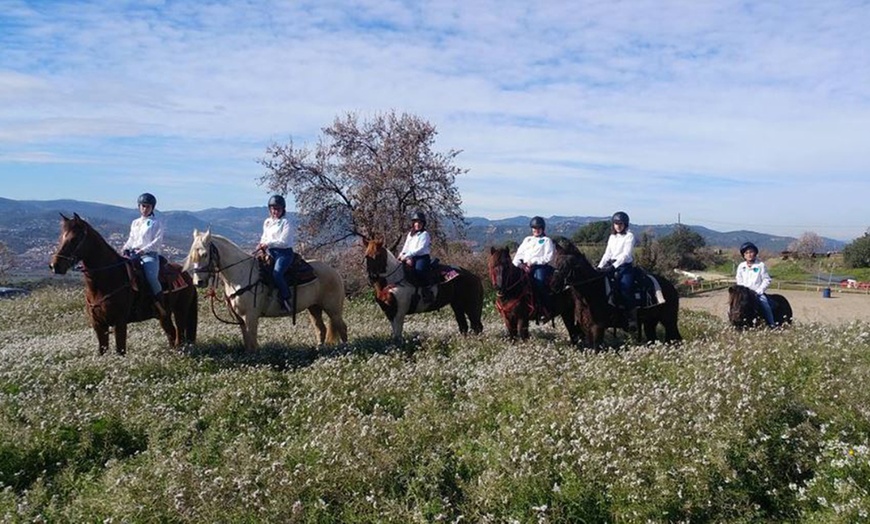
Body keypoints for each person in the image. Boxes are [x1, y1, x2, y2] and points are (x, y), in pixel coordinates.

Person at [122, 192, 166, 317]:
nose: (144, 209)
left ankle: (160, 302)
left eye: (147, 206)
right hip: (133, 253)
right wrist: (125, 248)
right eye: (142, 206)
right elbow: (131, 238)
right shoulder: (135, 222)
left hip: (149, 255)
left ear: (152, 208)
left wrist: (144, 250)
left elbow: (157, 241)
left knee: (151, 277)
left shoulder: (156, 222)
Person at [256, 195, 296, 313]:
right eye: (273, 209)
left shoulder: (286, 222)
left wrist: (267, 243)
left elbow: (283, 241)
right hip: (270, 252)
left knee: (277, 273)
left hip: (284, 253)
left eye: (278, 209)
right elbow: (264, 237)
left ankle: (286, 298)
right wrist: (261, 244)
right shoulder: (267, 222)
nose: (275, 211)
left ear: (283, 209)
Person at [598, 211, 638, 328]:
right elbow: (607, 254)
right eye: (616, 223)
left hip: (624, 267)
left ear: (625, 224)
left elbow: (625, 255)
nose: (618, 226)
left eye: (621, 223)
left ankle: (632, 318)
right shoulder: (612, 237)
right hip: (610, 266)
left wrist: (613, 266)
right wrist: (600, 267)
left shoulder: (629, 236)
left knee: (626, 288)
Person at [513, 216, 554, 319]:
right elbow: (519, 255)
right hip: (524, 267)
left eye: (538, 228)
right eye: (534, 228)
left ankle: (546, 309)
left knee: (539, 283)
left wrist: (534, 261)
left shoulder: (546, 240)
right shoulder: (527, 240)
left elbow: (549, 257)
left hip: (540, 267)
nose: (536, 230)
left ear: (542, 228)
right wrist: (520, 265)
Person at [735, 241, 776, 327]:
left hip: (757, 293)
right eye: (746, 253)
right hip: (744, 293)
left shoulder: (760, 265)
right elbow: (739, 279)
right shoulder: (741, 266)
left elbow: (766, 279)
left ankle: (772, 324)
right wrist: (743, 291)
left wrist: (759, 291)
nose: (749, 254)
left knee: (765, 304)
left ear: (755, 253)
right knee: (734, 304)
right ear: (744, 255)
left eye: (751, 252)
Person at [397, 211, 433, 302]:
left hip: (422, 258)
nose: (417, 224)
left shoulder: (425, 234)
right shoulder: (410, 234)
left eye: (420, 223)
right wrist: (401, 254)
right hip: (410, 257)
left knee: (419, 271)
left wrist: (408, 255)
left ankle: (427, 292)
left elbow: (420, 249)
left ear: (423, 224)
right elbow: (406, 246)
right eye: (416, 222)